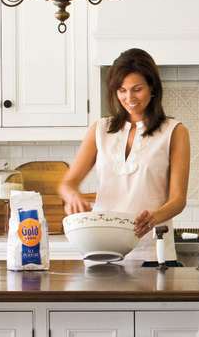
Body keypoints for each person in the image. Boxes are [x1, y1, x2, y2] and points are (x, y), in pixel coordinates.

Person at [58, 48, 190, 264]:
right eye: (121, 90)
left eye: (137, 89)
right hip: (100, 250)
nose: (129, 98)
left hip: (151, 252)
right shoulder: (100, 129)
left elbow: (178, 200)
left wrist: (153, 217)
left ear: (152, 88)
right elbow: (68, 183)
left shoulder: (174, 132)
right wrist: (72, 195)